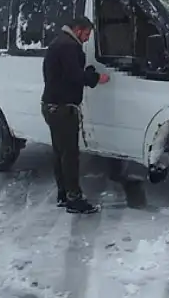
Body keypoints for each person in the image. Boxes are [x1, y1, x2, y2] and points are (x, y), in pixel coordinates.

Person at [41, 16, 110, 214]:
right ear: (78, 30)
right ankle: (74, 199)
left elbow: (65, 73)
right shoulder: (69, 46)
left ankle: (63, 194)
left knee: (60, 153)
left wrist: (85, 71)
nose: (87, 38)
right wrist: (97, 77)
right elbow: (74, 76)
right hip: (63, 108)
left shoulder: (59, 42)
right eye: (87, 34)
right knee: (70, 155)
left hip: (51, 105)